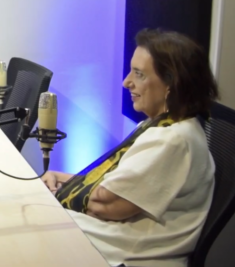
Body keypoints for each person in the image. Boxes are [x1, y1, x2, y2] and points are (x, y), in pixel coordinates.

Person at [43, 29, 217, 267]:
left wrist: (56, 193)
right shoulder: (159, 125)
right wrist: (58, 177)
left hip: (124, 255)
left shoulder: (173, 140)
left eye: (139, 74)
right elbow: (111, 187)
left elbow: (105, 204)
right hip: (111, 242)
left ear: (171, 83)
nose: (127, 82)